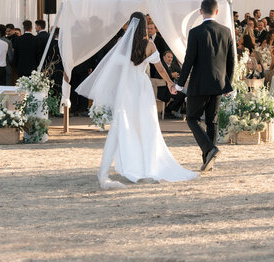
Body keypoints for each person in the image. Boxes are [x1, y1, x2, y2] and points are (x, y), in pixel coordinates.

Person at [77, 13, 196, 189]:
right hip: (141, 87)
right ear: (144, 27)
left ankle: (131, 163)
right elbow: (160, 68)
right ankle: (147, 163)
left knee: (126, 124)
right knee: (146, 124)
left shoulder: (122, 44)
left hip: (125, 88)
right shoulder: (149, 45)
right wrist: (171, 83)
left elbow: (112, 68)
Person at [177, 0, 235, 174]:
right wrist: (228, 84)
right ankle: (208, 159)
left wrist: (179, 85)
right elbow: (232, 61)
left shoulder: (195, 32)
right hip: (219, 84)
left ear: (201, 11)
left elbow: (189, 62)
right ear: (216, 12)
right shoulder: (226, 31)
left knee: (192, 118)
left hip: (199, 84)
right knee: (212, 121)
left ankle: (210, 150)